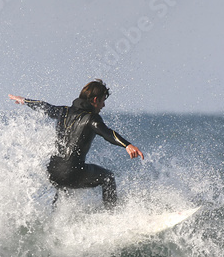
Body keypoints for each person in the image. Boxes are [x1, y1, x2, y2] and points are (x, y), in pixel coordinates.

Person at [9, 79, 143, 207]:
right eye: (102, 101)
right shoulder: (92, 118)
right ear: (95, 100)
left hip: (52, 171)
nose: (103, 105)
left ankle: (55, 221)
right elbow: (107, 133)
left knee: (63, 187)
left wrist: (25, 100)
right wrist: (127, 145)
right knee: (107, 177)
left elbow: (45, 106)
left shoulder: (63, 111)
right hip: (72, 173)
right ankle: (112, 216)